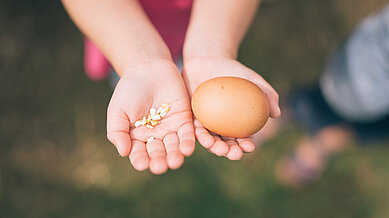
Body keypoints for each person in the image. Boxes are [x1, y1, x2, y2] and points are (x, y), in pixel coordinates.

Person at [61, 0, 281, 174]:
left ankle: (174, 66)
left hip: (203, 21)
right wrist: (138, 59)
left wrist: (211, 48)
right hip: (120, 28)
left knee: (175, 72)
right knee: (138, 79)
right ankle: (136, 73)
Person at [276, 3, 389, 187]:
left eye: (297, 161)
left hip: (361, 65)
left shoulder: (309, 113)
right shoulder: (356, 136)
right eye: (308, 172)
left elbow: (288, 105)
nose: (308, 163)